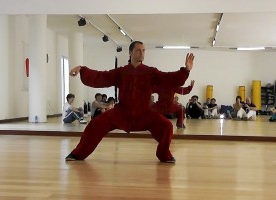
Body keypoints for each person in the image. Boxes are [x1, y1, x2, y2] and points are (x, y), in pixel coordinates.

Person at [65, 41, 194, 163]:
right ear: (130, 53)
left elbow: (168, 78)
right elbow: (101, 76)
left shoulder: (151, 72)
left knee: (167, 126)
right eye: (138, 50)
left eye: (143, 50)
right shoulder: (121, 72)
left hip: (145, 113)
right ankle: (78, 154)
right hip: (122, 113)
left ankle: (164, 155)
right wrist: (82, 69)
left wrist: (186, 70)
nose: (142, 53)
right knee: (94, 125)